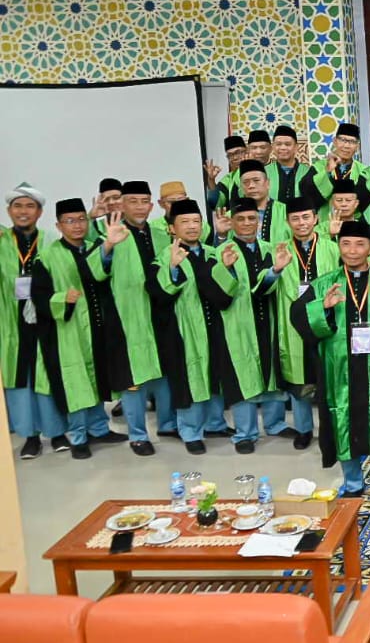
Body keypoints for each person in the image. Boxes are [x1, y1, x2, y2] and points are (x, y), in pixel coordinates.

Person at [293, 220, 370, 507]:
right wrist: (322, 308)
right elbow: (298, 316)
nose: (352, 250)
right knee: (343, 422)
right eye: (346, 244)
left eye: (359, 244)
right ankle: (353, 483)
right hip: (340, 370)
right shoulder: (324, 284)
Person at [30, 199, 130, 459]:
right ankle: (78, 437)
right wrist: (62, 299)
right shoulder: (47, 257)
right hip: (68, 332)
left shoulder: (96, 247)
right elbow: (39, 296)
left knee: (97, 379)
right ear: (58, 225)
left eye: (81, 219)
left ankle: (99, 428)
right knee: (76, 384)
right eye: (70, 221)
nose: (77, 226)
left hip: (96, 326)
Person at [153, 198, 235, 454]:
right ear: (172, 228)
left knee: (215, 374)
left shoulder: (212, 252)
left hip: (214, 325)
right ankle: (190, 431)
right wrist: (173, 268)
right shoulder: (165, 257)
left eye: (196, 221)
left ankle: (215, 423)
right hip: (185, 330)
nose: (191, 226)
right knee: (190, 380)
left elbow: (227, 291)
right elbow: (158, 293)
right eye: (184, 222)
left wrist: (227, 269)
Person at [218, 197, 294, 453]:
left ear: (259, 221)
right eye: (240, 219)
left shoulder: (271, 248)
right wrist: (227, 269)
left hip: (269, 318)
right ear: (231, 222)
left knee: (271, 371)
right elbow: (219, 289)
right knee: (244, 376)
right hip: (238, 323)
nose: (247, 223)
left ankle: (275, 424)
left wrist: (277, 269)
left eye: (252, 218)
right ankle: (245, 433)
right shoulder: (222, 251)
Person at [108, 182, 179, 453]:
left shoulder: (162, 235)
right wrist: (107, 246)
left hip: (161, 313)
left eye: (144, 201)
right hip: (128, 317)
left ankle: (167, 423)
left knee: (164, 374)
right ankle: (137, 435)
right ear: (122, 204)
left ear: (151, 206)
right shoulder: (113, 234)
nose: (139, 207)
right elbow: (96, 270)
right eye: (133, 201)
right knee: (133, 378)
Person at [3, 183, 69, 459]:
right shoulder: (1, 242)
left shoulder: (51, 241)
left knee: (48, 375)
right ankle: (29, 436)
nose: (23, 211)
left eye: (30, 206)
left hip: (45, 318)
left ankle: (57, 432)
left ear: (40, 212)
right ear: (9, 211)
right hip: (11, 321)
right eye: (17, 206)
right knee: (20, 379)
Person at [274, 196, 337, 450]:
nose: (301, 223)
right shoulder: (280, 250)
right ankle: (303, 430)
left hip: (326, 316)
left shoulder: (332, 248)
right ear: (287, 222)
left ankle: (331, 430)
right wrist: (276, 270)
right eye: (295, 219)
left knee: (329, 378)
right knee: (299, 379)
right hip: (294, 321)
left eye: (306, 217)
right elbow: (264, 287)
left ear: (315, 218)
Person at [306, 123, 370, 214]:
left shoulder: (364, 171)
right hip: (326, 221)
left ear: (357, 146)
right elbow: (309, 197)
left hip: (354, 221)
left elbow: (367, 203)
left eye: (352, 142)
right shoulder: (318, 167)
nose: (347, 146)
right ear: (335, 141)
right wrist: (327, 171)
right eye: (343, 140)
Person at [236, 159, 291, 244]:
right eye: (246, 182)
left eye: (256, 180)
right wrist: (222, 236)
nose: (251, 186)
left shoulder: (286, 212)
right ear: (242, 187)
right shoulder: (232, 215)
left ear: (267, 183)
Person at [266, 126, 316, 204]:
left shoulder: (308, 172)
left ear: (296, 147)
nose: (283, 148)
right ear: (273, 147)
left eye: (287, 144)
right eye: (278, 144)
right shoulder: (264, 172)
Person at [206, 135, 247, 211]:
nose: (234, 158)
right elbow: (215, 204)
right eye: (230, 155)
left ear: (247, 152)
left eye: (238, 153)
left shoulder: (262, 170)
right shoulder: (228, 179)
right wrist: (211, 180)